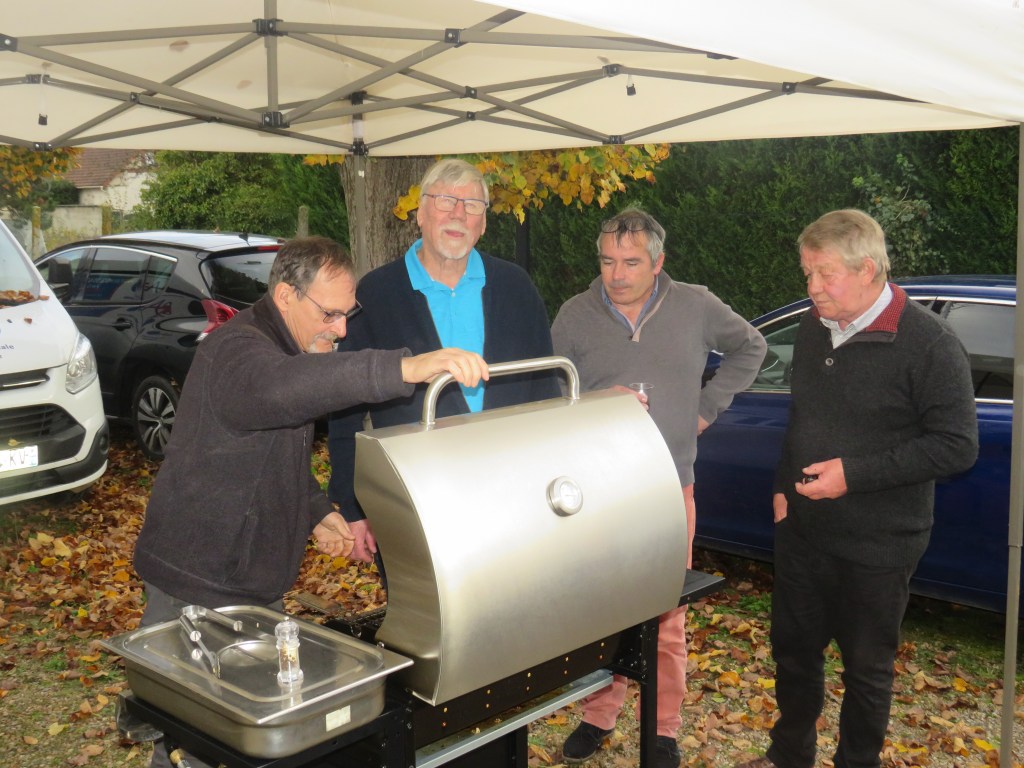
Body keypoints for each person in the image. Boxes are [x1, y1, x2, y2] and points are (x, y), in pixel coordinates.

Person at [132, 236, 488, 768]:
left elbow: (268, 454)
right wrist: (405, 368)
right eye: (329, 314)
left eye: (348, 314)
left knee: (240, 730)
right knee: (200, 734)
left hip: (247, 579)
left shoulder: (286, 347)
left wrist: (317, 511)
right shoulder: (237, 351)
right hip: (198, 578)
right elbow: (280, 390)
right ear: (285, 296)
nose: (341, 330)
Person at [736, 210, 978, 768]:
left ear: (867, 269)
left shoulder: (930, 343)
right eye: (807, 273)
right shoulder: (813, 326)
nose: (812, 287)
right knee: (794, 654)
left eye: (825, 274)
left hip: (880, 543)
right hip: (804, 530)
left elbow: (957, 446)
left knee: (867, 670)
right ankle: (788, 756)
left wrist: (853, 475)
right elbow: (803, 417)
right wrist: (782, 485)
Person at [551, 207, 767, 768]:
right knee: (602, 611)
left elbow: (751, 347)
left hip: (671, 488)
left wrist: (707, 408)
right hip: (599, 493)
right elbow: (553, 397)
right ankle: (599, 714)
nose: (617, 275)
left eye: (630, 262)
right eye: (607, 261)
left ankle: (664, 726)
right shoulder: (574, 316)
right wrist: (599, 402)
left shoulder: (696, 305)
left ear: (658, 261)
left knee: (668, 614)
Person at [327, 158, 559, 564]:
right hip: (413, 498)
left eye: (472, 205)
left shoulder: (516, 288)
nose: (458, 214)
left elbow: (547, 393)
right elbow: (345, 407)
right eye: (445, 201)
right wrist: (352, 505)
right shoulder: (376, 294)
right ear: (420, 213)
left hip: (511, 496)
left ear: (483, 224)